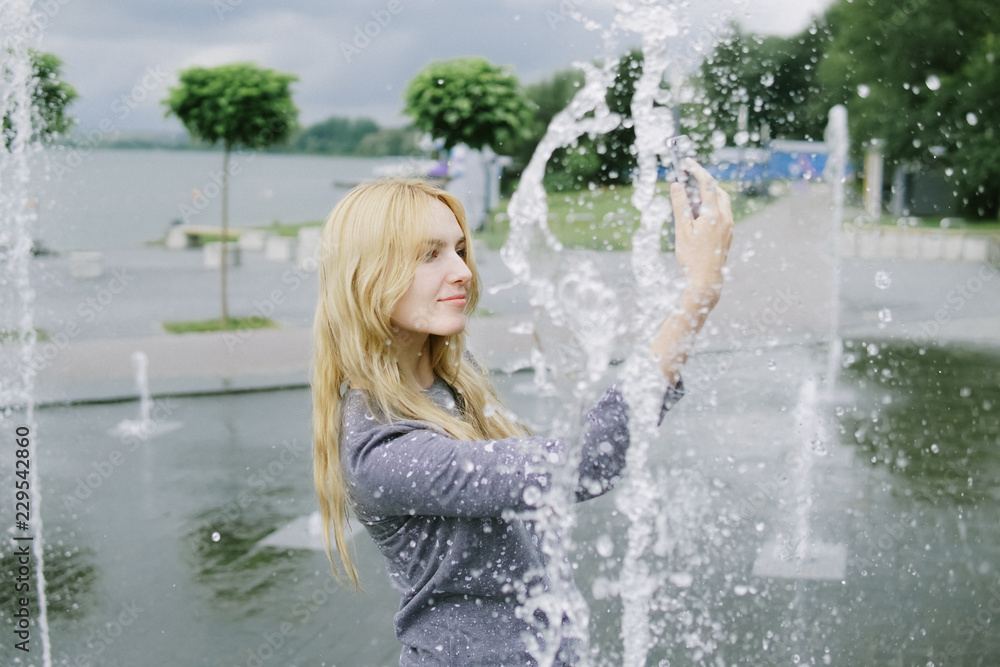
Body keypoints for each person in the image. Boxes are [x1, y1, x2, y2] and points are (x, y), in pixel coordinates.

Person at [312, 164, 733, 666]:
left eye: (460, 249)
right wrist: (697, 295)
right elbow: (584, 462)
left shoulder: (447, 380)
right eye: (429, 254)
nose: (464, 271)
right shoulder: (384, 450)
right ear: (368, 276)